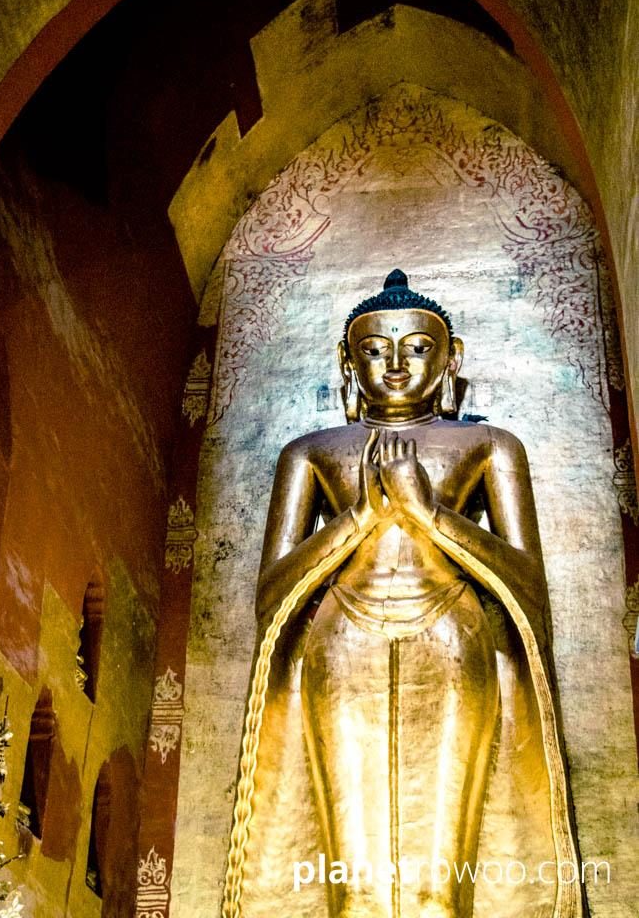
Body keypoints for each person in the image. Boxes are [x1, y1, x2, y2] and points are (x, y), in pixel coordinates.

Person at [222, 270, 584, 918]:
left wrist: (430, 515)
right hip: (342, 643)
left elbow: (530, 588)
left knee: (441, 882)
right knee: (350, 879)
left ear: (451, 359)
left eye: (416, 347)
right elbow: (270, 595)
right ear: (346, 360)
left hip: (450, 639)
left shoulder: (487, 444)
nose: (393, 364)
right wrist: (357, 519)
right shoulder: (309, 451)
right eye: (373, 349)